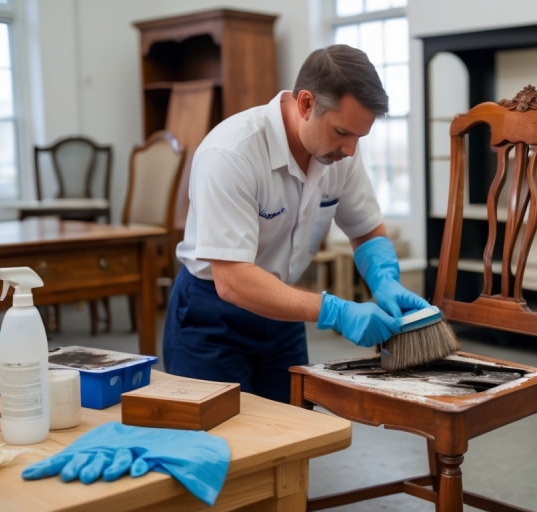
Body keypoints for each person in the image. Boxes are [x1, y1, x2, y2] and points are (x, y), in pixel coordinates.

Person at [163, 44, 430, 403]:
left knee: (293, 436)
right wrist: (335, 311)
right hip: (213, 316)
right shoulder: (230, 154)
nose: (350, 150)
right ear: (306, 104)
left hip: (283, 309)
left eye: (358, 137)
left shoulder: (340, 152)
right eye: (342, 133)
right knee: (221, 443)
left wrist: (385, 280)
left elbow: (366, 230)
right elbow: (233, 280)